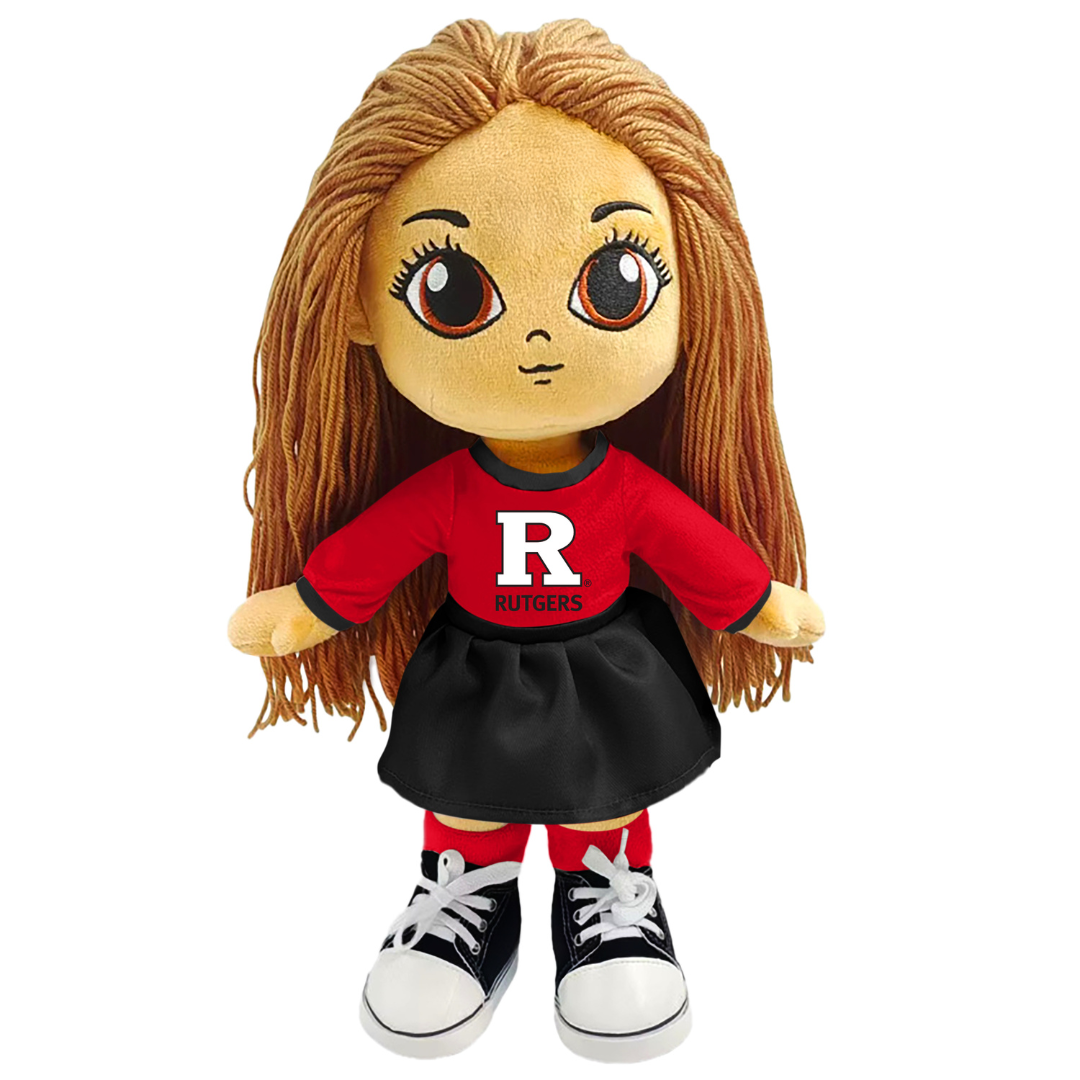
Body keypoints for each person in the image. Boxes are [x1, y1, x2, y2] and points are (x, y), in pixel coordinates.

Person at [228, 19, 824, 1062]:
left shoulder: (624, 486)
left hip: (602, 662)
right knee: (466, 804)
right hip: (479, 664)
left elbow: (689, 545)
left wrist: (757, 600)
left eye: (614, 282)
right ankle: (468, 899)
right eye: (453, 289)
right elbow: (379, 548)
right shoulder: (450, 490)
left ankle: (610, 903)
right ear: (360, 306)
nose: (540, 338)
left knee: (605, 804)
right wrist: (310, 605)